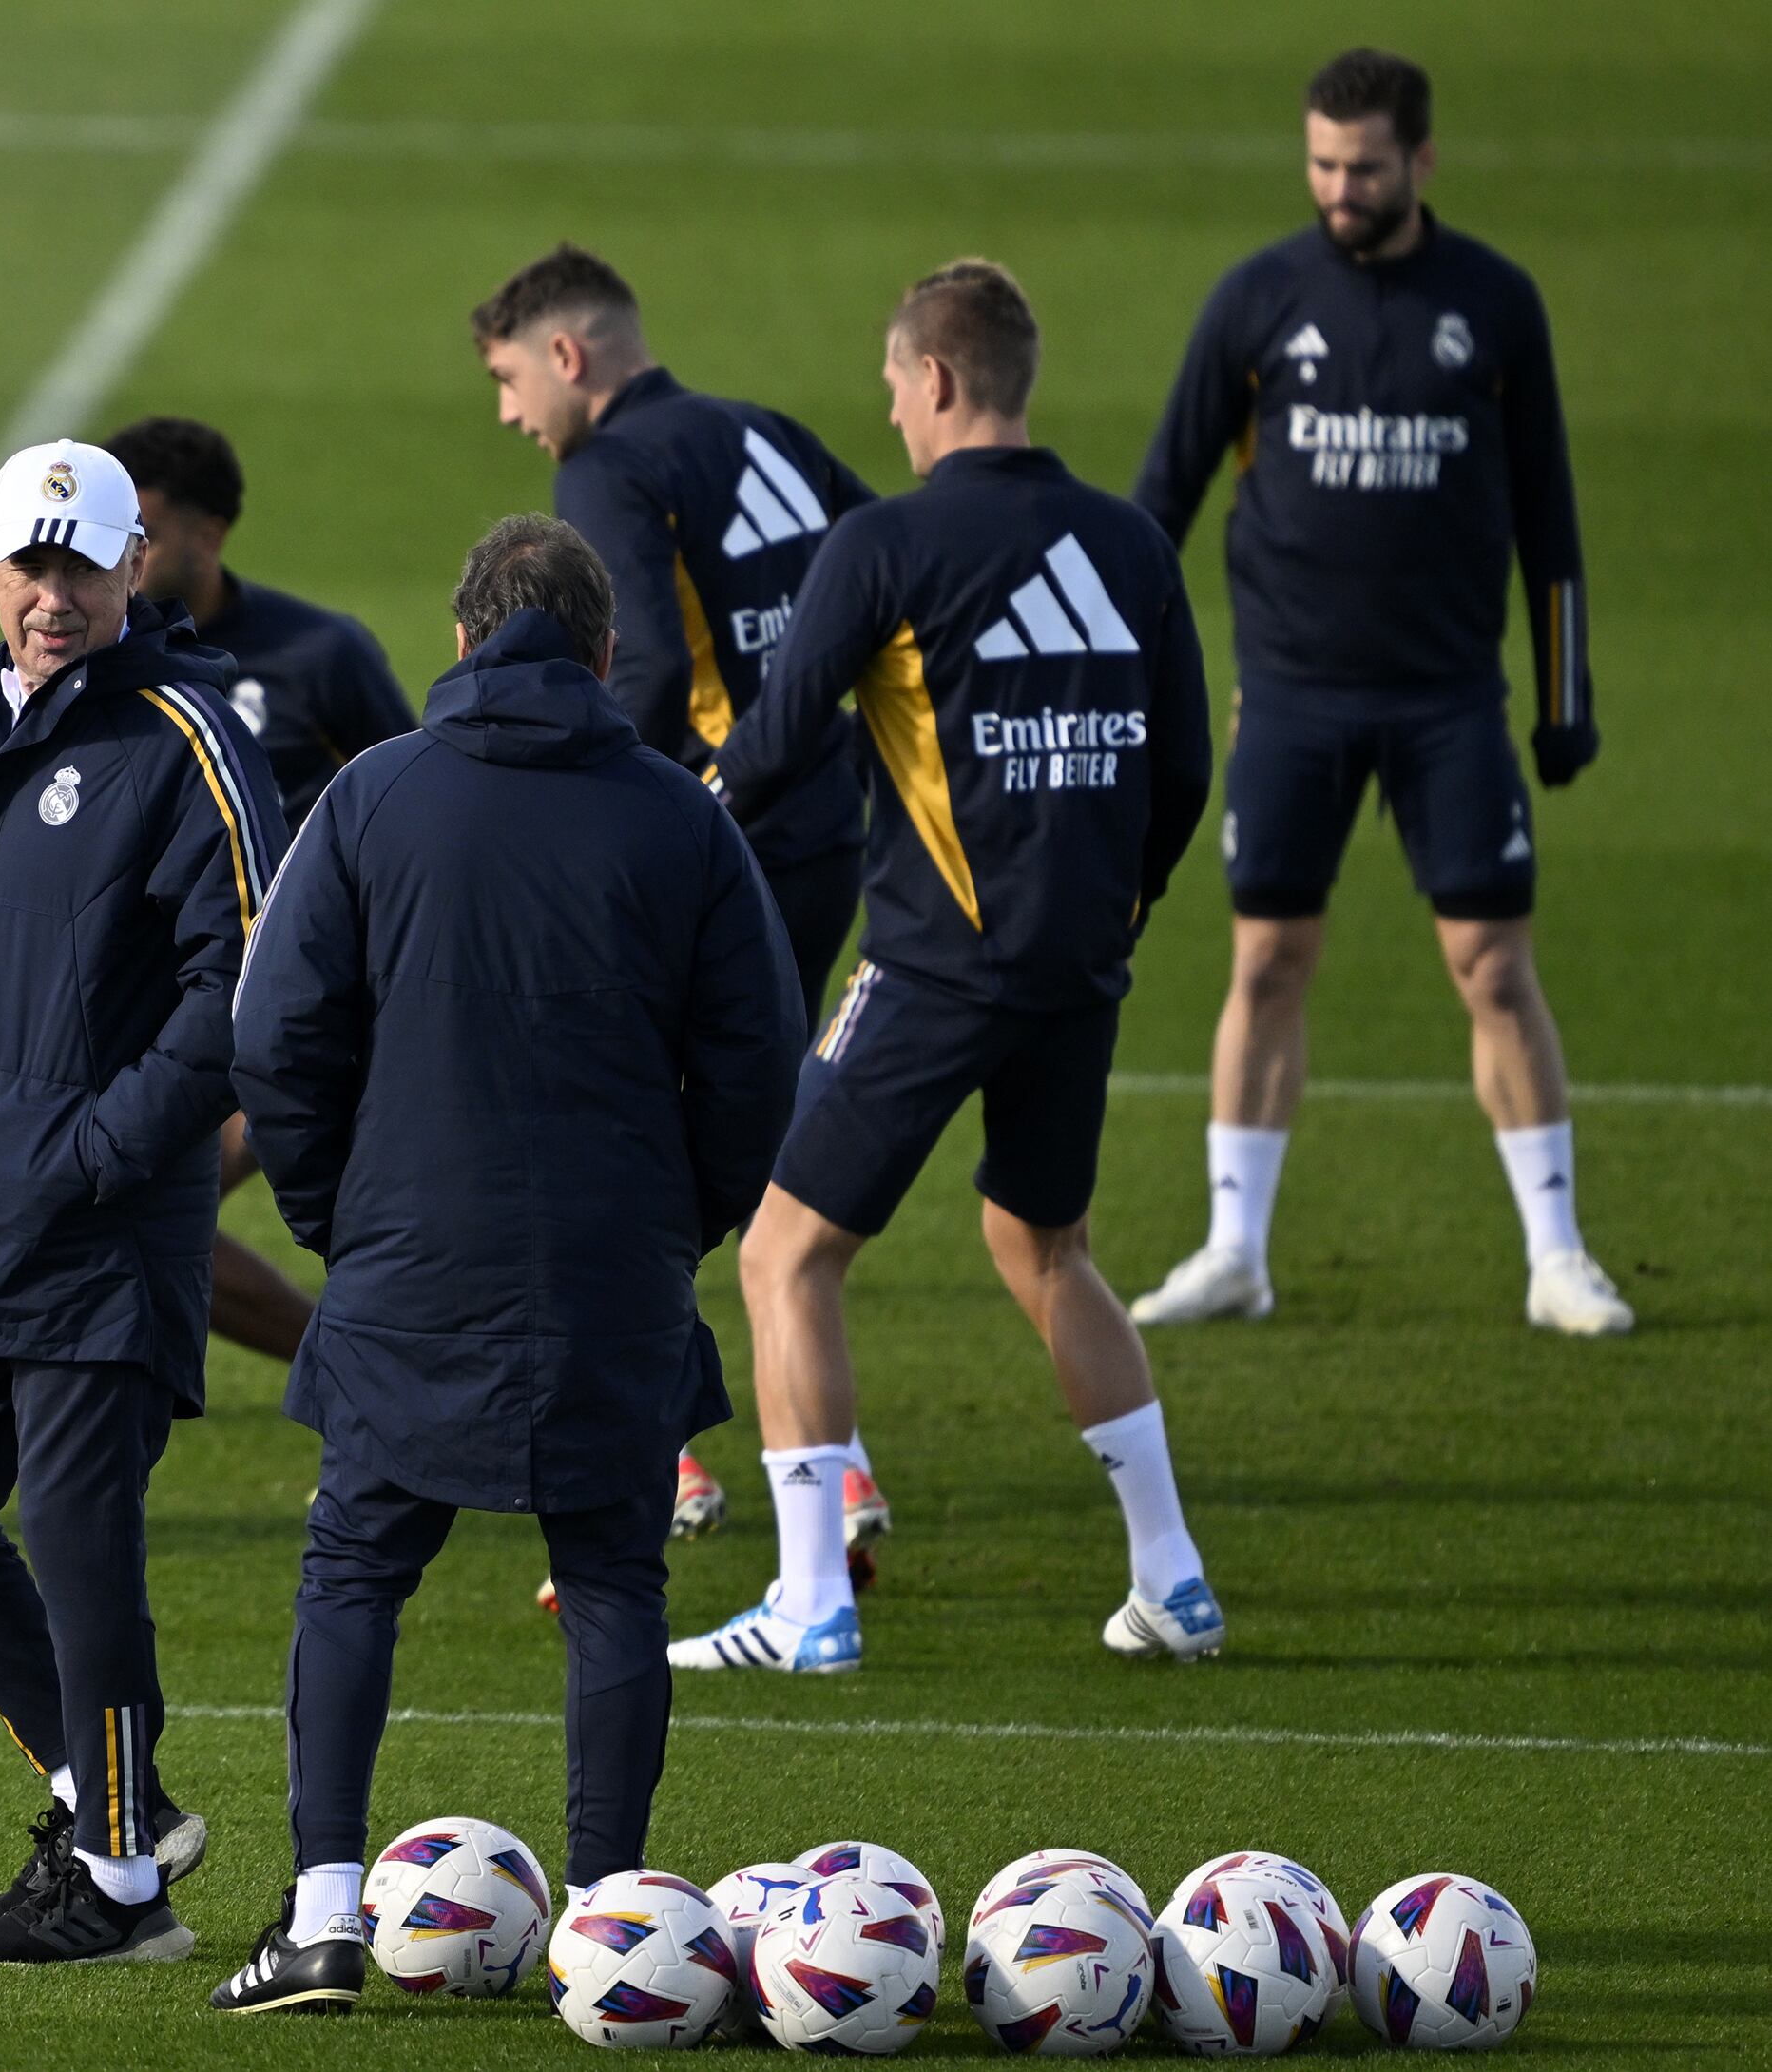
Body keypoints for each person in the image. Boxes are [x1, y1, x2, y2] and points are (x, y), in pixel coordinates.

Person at [215, 514, 802, 2015]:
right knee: (614, 1576)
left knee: (353, 1567)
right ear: (607, 654)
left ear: (463, 638)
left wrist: (336, 1212)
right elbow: (756, 1059)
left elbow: (276, 1035)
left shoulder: (371, 797)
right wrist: (683, 1219)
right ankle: (611, 1929)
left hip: (405, 1257)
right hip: (612, 1259)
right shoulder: (680, 816)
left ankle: (326, 1917)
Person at [673, 261, 1225, 1676]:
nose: (893, 415)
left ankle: (810, 1603)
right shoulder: (1129, 544)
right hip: (1082, 966)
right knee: (1044, 1243)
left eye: (893, 389)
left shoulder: (886, 544)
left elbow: (784, 734)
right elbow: (1184, 773)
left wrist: (679, 813)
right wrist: (1121, 908)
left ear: (933, 380)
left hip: (935, 965)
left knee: (784, 1252)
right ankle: (1171, 1573)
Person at [0, 439, 286, 1965]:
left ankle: (117, 1882)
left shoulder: (187, 736)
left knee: (81, 1527)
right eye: (28, 564)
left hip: (94, 1219)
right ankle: (122, 1801)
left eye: (80, 565)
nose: (51, 595)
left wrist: (102, 1148)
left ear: (135, 565)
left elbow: (248, 982)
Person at [1127, 48, 1628, 1337]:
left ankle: (1557, 1253)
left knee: (1494, 967)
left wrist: (1565, 697)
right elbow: (1158, 506)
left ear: (1422, 160)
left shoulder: (1496, 306)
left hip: (1448, 700)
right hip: (1291, 697)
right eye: (1323, 164)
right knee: (1268, 959)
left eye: (1365, 167)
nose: (1340, 188)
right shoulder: (1256, 302)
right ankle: (1235, 1246)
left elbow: (1551, 516)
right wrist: (1133, 682)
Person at [472, 243, 885, 1558]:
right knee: (740, 1146)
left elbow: (637, 663)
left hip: (705, 851)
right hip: (826, 843)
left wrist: (581, 816)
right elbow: (892, 575)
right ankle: (835, 1466)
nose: (509, 413)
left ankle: (653, 1461)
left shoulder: (601, 470)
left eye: (507, 377)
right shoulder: (766, 433)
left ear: (569, 355)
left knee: (605, 1149)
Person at [103, 415, 414, 1366]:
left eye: (142, 529)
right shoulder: (92, 659)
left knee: (150, 1208)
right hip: (164, 1003)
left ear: (209, 534)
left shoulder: (319, 655)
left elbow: (409, 815)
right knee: (140, 1215)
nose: (122, 551)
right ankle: (368, 1380)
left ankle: (365, 1380)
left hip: (303, 1008)